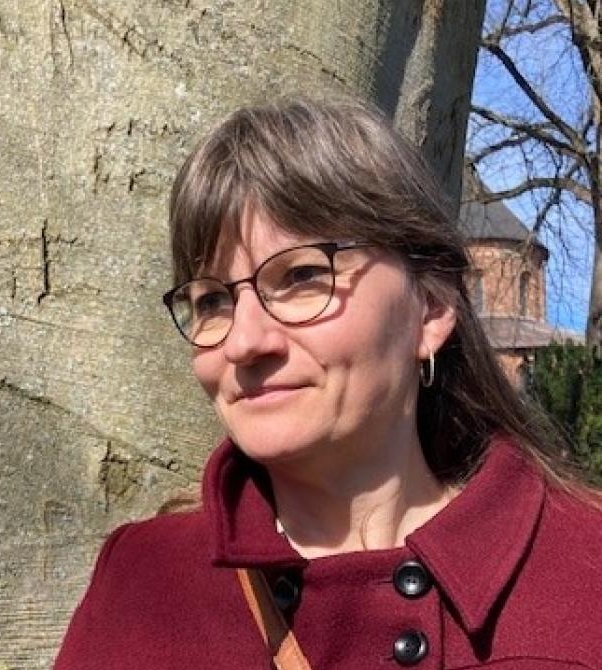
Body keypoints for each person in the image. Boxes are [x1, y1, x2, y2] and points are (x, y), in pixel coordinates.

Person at [53, 96, 602, 670]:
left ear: (432, 309)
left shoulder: (583, 570)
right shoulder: (142, 583)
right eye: (211, 300)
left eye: (302, 275)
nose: (244, 342)